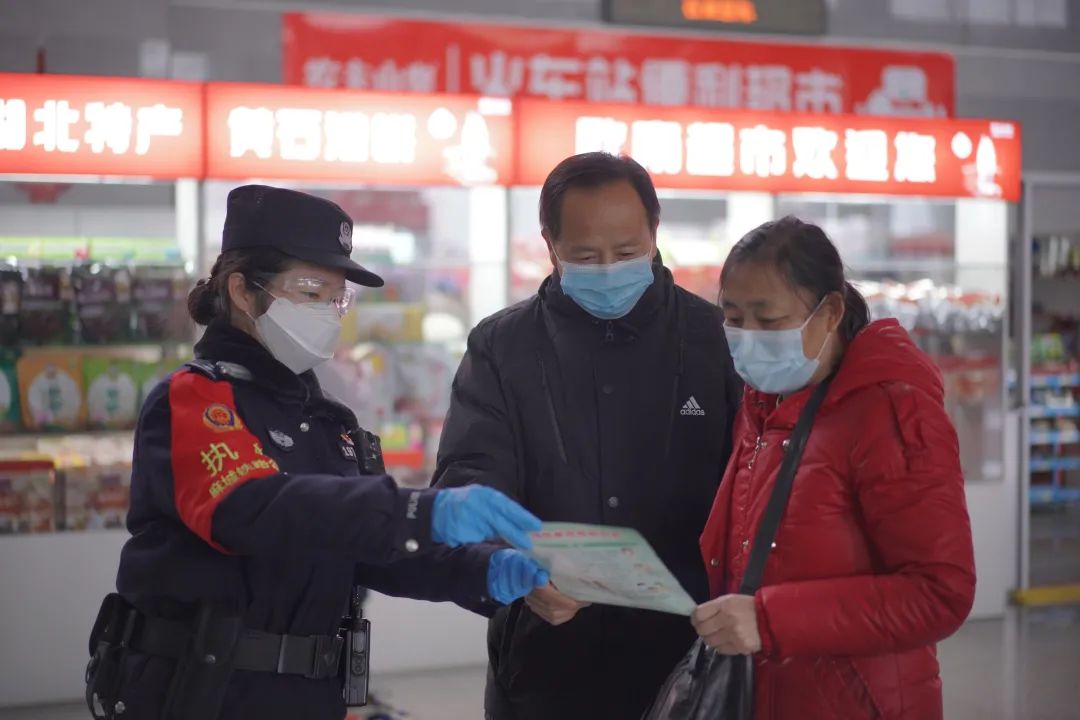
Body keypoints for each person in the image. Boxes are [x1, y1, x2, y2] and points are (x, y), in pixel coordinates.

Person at [85, 185, 550, 720]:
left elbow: (370, 549)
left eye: (337, 297)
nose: (330, 311)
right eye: (311, 291)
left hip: (307, 695)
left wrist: (485, 571)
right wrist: (421, 510)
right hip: (199, 691)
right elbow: (248, 508)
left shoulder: (329, 423)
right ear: (242, 290)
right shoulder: (196, 397)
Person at [432, 152, 743, 720]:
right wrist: (512, 570)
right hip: (545, 662)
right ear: (550, 245)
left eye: (626, 253)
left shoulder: (716, 341)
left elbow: (757, 485)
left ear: (655, 232)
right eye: (584, 255)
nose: (608, 269)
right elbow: (468, 481)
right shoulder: (502, 348)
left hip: (694, 658)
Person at [693, 216, 976, 720]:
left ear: (829, 312)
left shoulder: (889, 410)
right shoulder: (763, 404)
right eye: (733, 317)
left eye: (769, 319)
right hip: (768, 693)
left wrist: (768, 619)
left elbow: (940, 592)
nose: (747, 337)